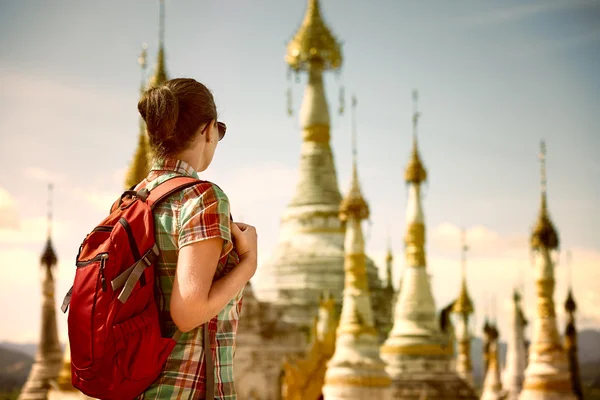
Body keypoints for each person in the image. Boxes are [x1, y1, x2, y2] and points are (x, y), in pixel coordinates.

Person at [134, 78, 258, 399]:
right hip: (181, 389)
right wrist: (247, 265)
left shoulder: (134, 199)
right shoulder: (202, 198)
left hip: (134, 387)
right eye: (219, 130)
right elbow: (188, 313)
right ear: (207, 130)